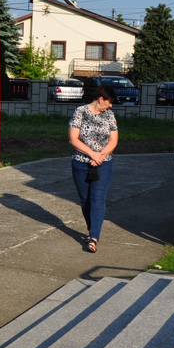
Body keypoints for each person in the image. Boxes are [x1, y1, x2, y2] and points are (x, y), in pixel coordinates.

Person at [69, 85, 119, 253]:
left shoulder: (109, 115)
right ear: (101, 99)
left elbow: (113, 140)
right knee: (85, 200)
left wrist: (100, 156)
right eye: (109, 102)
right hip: (80, 163)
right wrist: (92, 154)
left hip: (104, 164)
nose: (111, 105)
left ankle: (94, 237)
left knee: (98, 199)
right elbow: (73, 139)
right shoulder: (80, 112)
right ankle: (92, 231)